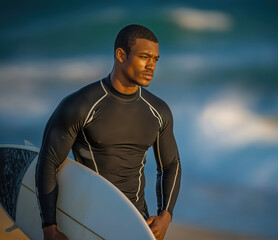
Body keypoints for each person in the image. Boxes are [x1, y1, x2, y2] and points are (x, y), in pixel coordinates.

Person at [35, 24, 181, 240]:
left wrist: (166, 214)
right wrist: (50, 228)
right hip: (87, 221)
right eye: (144, 57)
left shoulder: (158, 111)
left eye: (155, 59)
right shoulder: (81, 105)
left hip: (136, 220)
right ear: (121, 55)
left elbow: (170, 165)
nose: (151, 65)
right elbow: (48, 162)